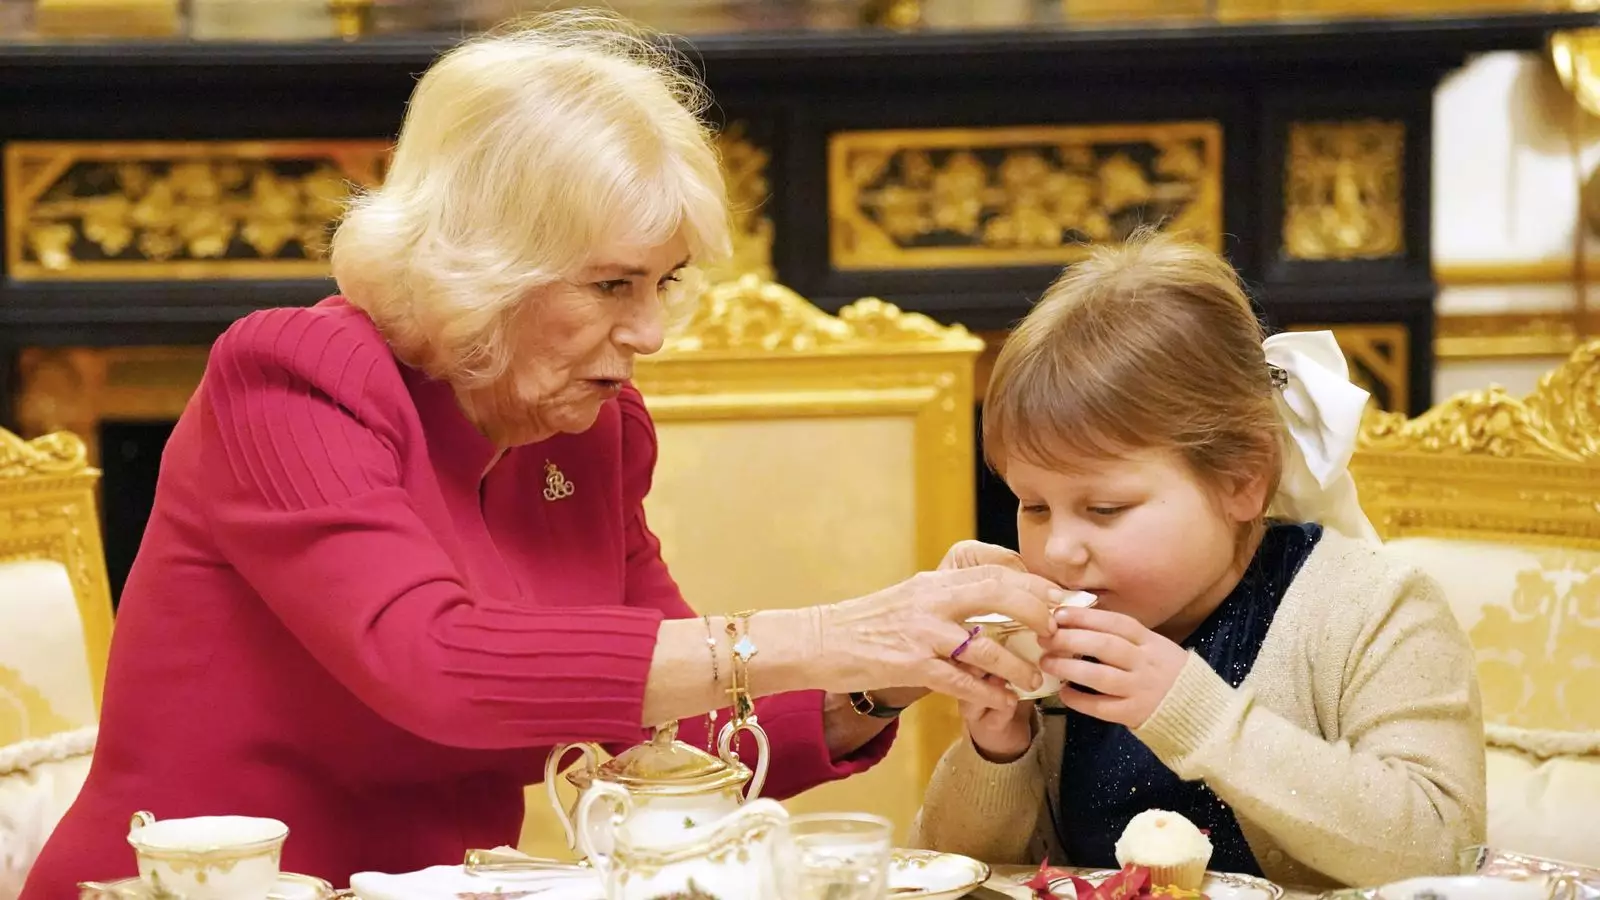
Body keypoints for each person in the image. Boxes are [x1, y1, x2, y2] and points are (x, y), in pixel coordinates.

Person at [20, 11, 1067, 895]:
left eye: (663, 283)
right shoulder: (293, 379)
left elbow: (665, 736)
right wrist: (832, 631)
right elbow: (430, 661)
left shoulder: (593, 433)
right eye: (612, 286)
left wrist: (885, 673)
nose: (651, 332)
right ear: (482, 264)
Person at [909, 232, 1486, 891]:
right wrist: (998, 751)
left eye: (1104, 510)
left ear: (1242, 480)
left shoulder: (1373, 606)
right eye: (1033, 507)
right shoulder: (1055, 630)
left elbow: (1445, 847)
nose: (1059, 549)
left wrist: (1193, 711)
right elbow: (954, 872)